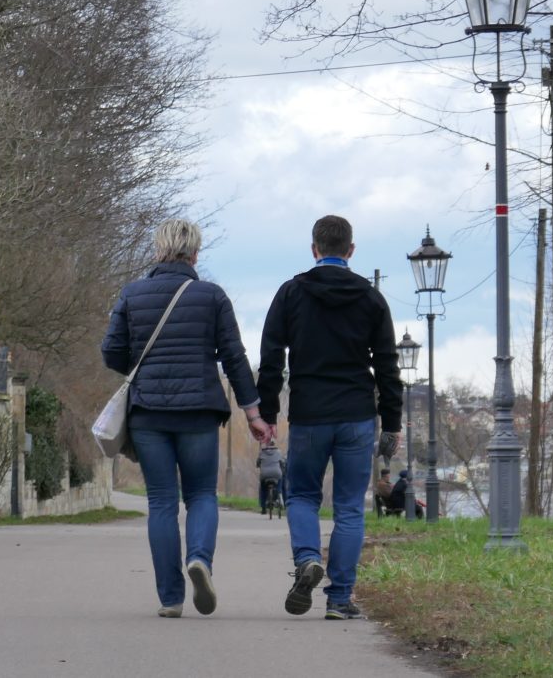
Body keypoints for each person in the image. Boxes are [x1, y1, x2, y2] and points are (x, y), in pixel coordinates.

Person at [102, 218, 270, 619]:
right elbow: (234, 357)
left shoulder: (132, 294)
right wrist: (253, 413)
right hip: (198, 411)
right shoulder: (211, 296)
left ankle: (170, 598)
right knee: (201, 496)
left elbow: (111, 351)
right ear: (195, 253)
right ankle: (200, 560)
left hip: (148, 413)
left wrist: (143, 367)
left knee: (161, 502)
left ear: (158, 249)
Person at [257, 215, 402, 621]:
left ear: (314, 248)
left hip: (309, 413)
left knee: (302, 494)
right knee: (350, 507)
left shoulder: (291, 293)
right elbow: (388, 366)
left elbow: (271, 358)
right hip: (356, 414)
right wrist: (392, 422)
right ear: (351, 250)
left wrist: (267, 413)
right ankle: (340, 598)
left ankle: (306, 558)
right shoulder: (372, 299)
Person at [257, 445, 287, 516]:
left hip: (265, 475)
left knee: (263, 489)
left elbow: (258, 463)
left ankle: (263, 507)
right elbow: (282, 463)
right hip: (276, 474)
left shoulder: (262, 453)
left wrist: (259, 464)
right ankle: (280, 497)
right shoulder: (278, 452)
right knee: (280, 481)